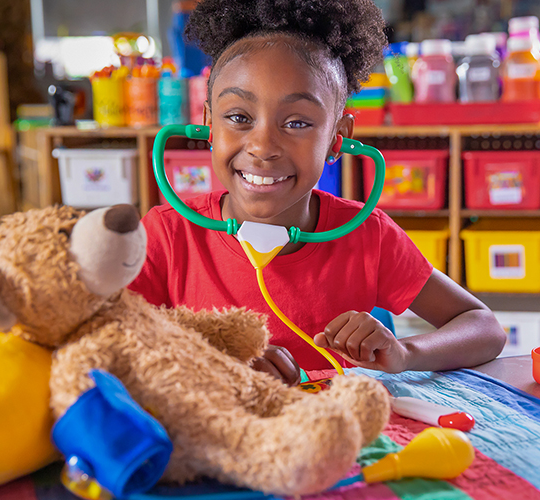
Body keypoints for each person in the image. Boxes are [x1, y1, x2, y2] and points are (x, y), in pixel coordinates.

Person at [129, 0, 506, 385]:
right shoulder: (168, 235)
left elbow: (485, 328)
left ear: (337, 139)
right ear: (209, 123)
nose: (262, 146)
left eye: (297, 122)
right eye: (239, 117)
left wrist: (405, 352)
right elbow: (106, 340)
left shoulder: (366, 235)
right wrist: (209, 363)